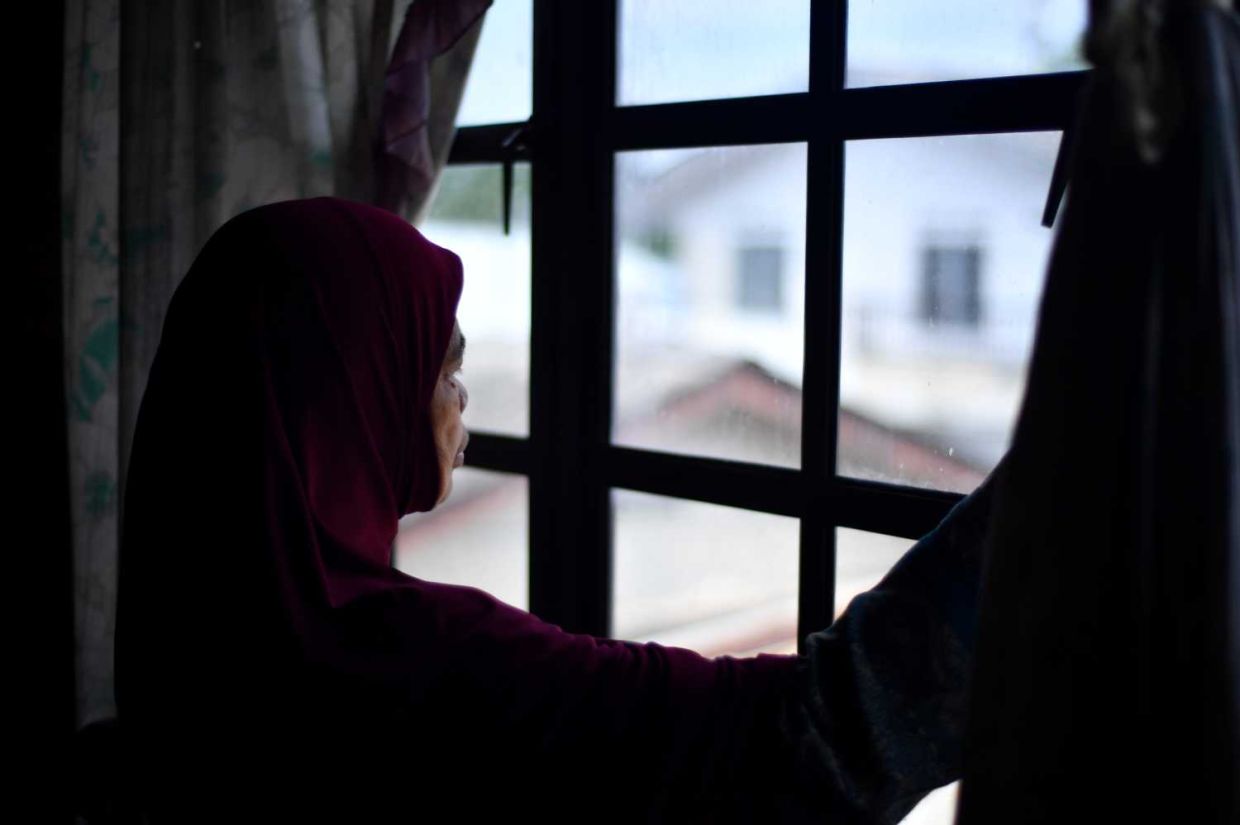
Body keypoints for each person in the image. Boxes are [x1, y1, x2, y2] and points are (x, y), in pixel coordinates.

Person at [114, 196, 998, 823]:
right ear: (349, 391)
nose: (463, 406)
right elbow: (792, 746)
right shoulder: (420, 665)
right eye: (441, 369)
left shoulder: (180, 640)